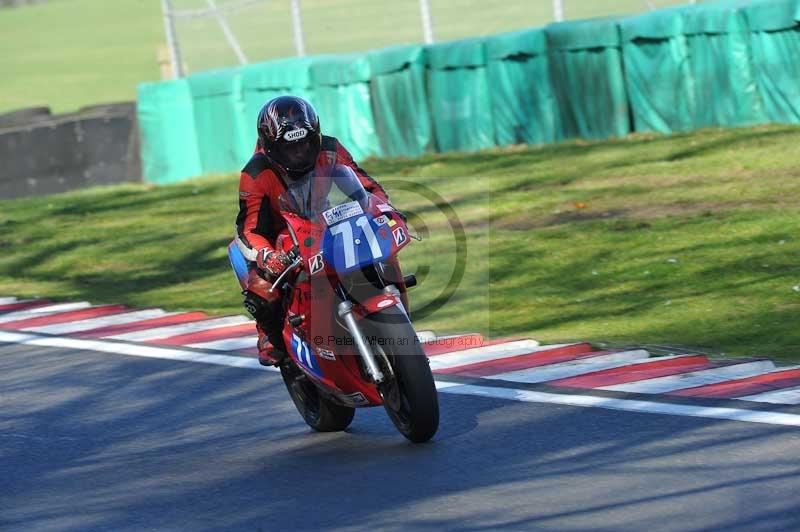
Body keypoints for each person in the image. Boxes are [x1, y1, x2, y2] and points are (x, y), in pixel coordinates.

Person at [229, 95, 390, 367]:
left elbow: (367, 185)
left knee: (371, 248)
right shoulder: (255, 172)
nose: (300, 153)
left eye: (304, 144)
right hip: (274, 235)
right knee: (263, 288)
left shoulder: (329, 148)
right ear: (270, 147)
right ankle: (270, 335)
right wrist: (267, 257)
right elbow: (249, 230)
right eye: (289, 149)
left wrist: (383, 210)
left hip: (319, 219)